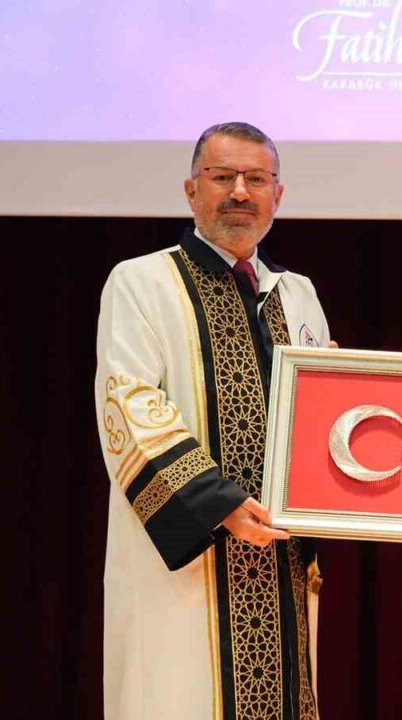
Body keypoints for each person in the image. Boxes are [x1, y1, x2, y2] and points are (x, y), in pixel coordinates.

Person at [95, 122, 328, 720]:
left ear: (279, 195)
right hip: (188, 565)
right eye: (222, 177)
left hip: (280, 559)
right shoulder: (142, 282)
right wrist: (218, 503)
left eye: (257, 179)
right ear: (190, 190)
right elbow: (130, 406)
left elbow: (323, 415)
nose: (240, 192)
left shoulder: (297, 294)